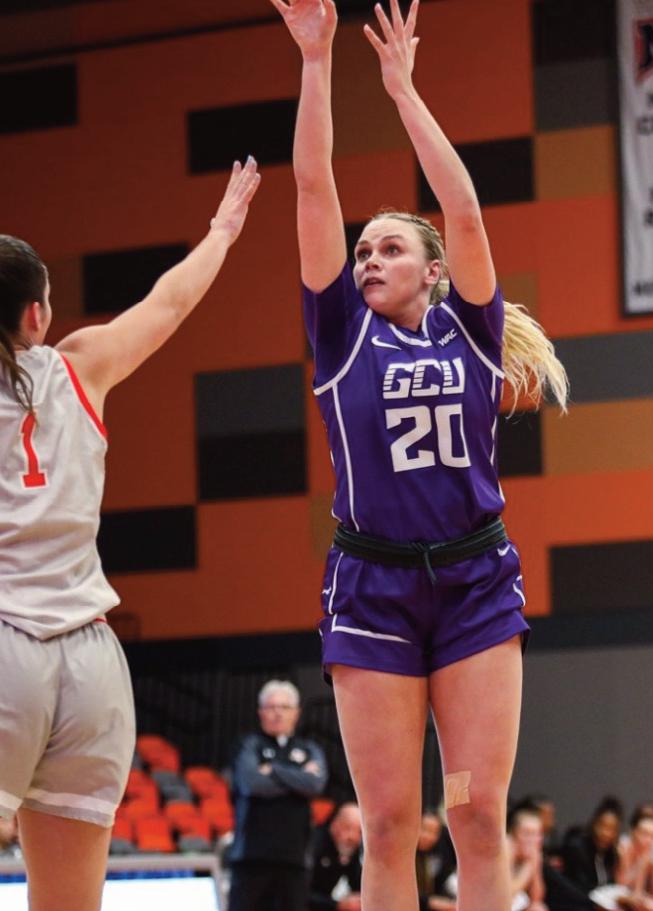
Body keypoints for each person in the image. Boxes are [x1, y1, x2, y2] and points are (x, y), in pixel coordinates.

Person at [270, 1, 568, 908]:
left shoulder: (469, 329)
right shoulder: (340, 333)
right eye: (362, 250)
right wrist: (316, 61)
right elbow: (312, 187)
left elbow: (464, 210)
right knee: (390, 823)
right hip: (373, 587)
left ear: (433, 271)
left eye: (389, 248)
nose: (367, 258)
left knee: (475, 815)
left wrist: (402, 90)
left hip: (474, 581)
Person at [0, 158, 260, 911]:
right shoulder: (82, 365)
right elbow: (168, 301)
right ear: (38, 315)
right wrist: (221, 231)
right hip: (90, 663)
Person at [226, 679, 329, 911]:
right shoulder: (248, 744)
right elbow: (252, 783)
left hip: (294, 859)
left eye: (284, 707)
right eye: (271, 707)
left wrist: (273, 769)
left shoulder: (309, 748)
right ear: (260, 712)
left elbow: (315, 784)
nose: (277, 713)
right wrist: (298, 776)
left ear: (297, 713)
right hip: (251, 858)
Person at [309, 801, 363, 911]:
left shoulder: (349, 849)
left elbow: (357, 883)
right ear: (335, 825)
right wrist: (336, 905)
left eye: (359, 832)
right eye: (348, 828)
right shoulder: (315, 845)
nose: (353, 837)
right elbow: (300, 892)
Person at [509, 807, 549, 911]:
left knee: (538, 908)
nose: (531, 840)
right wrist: (528, 868)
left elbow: (536, 898)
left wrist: (535, 866)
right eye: (526, 833)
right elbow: (506, 894)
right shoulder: (506, 850)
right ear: (513, 834)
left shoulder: (533, 856)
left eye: (536, 834)